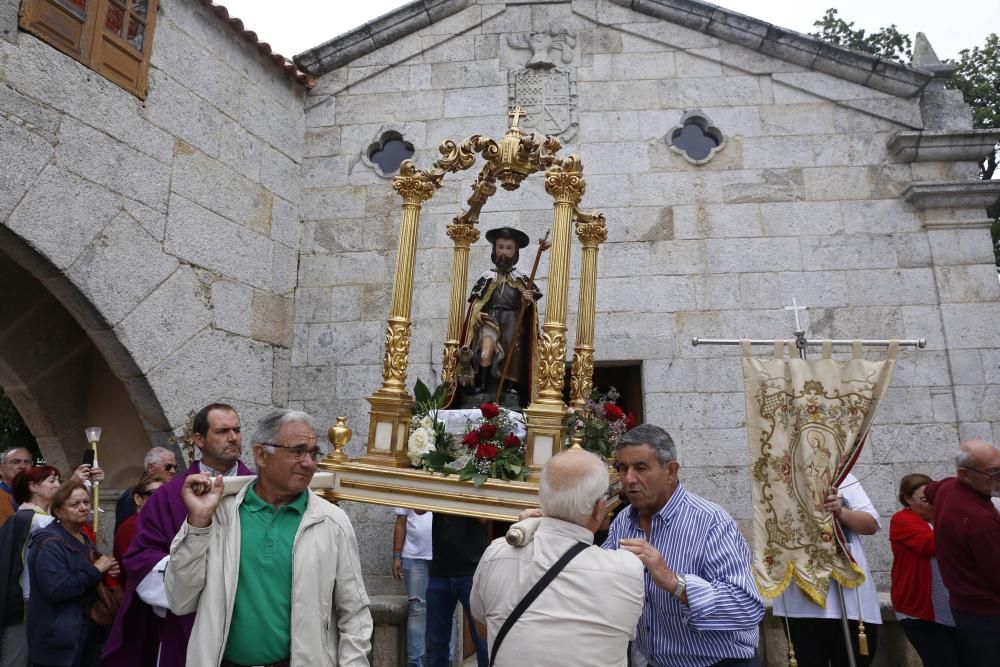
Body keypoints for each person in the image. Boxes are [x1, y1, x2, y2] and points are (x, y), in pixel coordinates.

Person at [165, 409, 372, 666]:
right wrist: (197, 523)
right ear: (261, 454)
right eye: (297, 451)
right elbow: (179, 599)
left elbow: (354, 614)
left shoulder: (331, 522)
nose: (309, 462)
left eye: (313, 452)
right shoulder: (221, 515)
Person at [102, 402, 252, 667]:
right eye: (223, 431)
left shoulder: (260, 490)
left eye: (237, 430)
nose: (233, 438)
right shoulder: (169, 497)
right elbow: (142, 558)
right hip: (189, 625)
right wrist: (203, 580)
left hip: (252, 620)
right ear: (199, 439)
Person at [604, 424, 764, 667]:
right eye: (622, 468)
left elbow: (747, 607)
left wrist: (673, 582)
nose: (628, 479)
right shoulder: (623, 522)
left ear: (670, 471)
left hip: (721, 662)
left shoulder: (711, 522)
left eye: (640, 468)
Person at [471, 449, 644, 666]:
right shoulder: (627, 569)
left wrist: (528, 530)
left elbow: (484, 628)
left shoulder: (496, 555)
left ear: (542, 499)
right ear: (600, 509)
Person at [772, 472, 881, 667]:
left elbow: (870, 524)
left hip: (850, 598)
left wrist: (841, 511)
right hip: (802, 600)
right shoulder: (778, 476)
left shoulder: (843, 477)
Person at [25, 479, 119, 667]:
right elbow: (57, 589)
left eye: (86, 502)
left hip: (85, 631)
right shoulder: (49, 544)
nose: (83, 508)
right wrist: (95, 570)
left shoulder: (82, 535)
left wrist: (107, 569)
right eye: (75, 504)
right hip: (59, 640)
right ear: (58, 511)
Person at [452, 227, 548, 409]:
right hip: (490, 320)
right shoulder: (487, 277)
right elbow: (476, 304)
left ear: (515, 252)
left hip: (512, 320)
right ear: (494, 250)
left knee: (514, 346)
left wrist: (527, 301)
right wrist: (477, 314)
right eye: (500, 247)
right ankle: (482, 384)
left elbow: (530, 309)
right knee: (485, 350)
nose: (504, 252)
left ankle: (510, 387)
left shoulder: (521, 279)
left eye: (508, 248)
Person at [924, 439, 1000, 666]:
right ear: (965, 474)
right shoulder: (980, 521)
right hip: (989, 616)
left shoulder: (947, 488)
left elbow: (929, 489)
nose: (998, 477)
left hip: (963, 607)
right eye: (993, 473)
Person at [889, 473, 961, 666]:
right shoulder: (902, 520)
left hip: (951, 607)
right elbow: (930, 545)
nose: (930, 503)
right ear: (907, 499)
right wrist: (949, 515)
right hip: (921, 610)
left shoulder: (938, 519)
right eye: (923, 499)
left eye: (933, 498)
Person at [0, 465, 61, 667]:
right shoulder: (39, 521)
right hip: (29, 603)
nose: (58, 486)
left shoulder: (22, 517)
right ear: (33, 486)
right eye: (52, 481)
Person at [425, 513, 489, 667]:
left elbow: (484, 517)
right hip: (440, 571)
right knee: (436, 644)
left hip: (471, 571)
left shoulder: (477, 486)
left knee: (483, 641)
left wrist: (465, 489)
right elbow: (418, 509)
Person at [392, 507, 434, 667]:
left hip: (443, 556)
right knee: (417, 609)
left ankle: (445, 661)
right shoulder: (411, 483)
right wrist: (396, 555)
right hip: (414, 557)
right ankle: (415, 663)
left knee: (446, 610)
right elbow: (401, 522)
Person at [112, 474, 164, 581]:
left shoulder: (157, 525)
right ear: (138, 499)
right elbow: (136, 567)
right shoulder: (130, 527)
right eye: (154, 493)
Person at [113, 448, 176, 531]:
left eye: (175, 467)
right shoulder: (133, 495)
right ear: (151, 468)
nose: (173, 471)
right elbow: (127, 530)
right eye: (168, 467)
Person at [0, 450, 33, 524]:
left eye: (27, 462)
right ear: (1, 469)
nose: (23, 466)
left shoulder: (39, 492)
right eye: (15, 462)